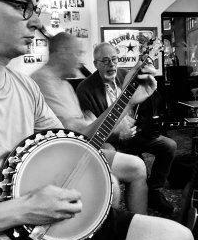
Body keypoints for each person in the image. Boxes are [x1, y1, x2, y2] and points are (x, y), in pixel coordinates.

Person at [0, 0, 195, 240]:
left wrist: (126, 98)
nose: (36, 21)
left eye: (36, 9)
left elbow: (79, 140)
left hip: (45, 222)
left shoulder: (24, 87)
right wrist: (25, 208)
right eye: (22, 7)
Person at [31, 32, 148, 215]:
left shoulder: (65, 85)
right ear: (63, 52)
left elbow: (83, 125)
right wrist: (127, 103)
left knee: (138, 166)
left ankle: (137, 223)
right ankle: (103, 236)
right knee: (112, 185)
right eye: (77, 53)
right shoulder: (43, 82)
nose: (80, 60)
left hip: (80, 148)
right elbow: (81, 131)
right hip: (64, 157)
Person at [76, 42, 177, 215]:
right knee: (123, 164)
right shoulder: (85, 89)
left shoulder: (126, 76)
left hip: (136, 134)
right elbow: (91, 131)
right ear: (95, 64)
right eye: (105, 61)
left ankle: (154, 190)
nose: (111, 65)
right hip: (107, 140)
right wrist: (117, 133)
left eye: (114, 59)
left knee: (169, 146)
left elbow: (146, 104)